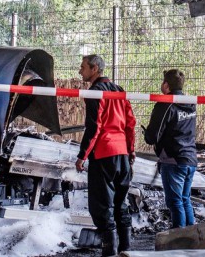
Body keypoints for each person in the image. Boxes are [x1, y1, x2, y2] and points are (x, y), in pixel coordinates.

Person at [75, 54, 136, 256]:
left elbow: (94, 127)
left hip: (104, 154)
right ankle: (126, 249)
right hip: (122, 154)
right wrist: (131, 150)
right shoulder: (119, 90)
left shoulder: (95, 92)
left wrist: (82, 155)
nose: (80, 71)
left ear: (94, 69)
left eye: (83, 67)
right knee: (121, 202)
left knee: (103, 205)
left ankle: (109, 251)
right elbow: (130, 124)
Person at [144, 69, 197, 228]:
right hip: (190, 158)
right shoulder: (190, 102)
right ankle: (192, 238)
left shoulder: (165, 104)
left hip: (173, 160)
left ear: (166, 85)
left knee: (175, 202)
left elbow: (153, 136)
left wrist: (148, 136)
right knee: (184, 199)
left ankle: (179, 240)